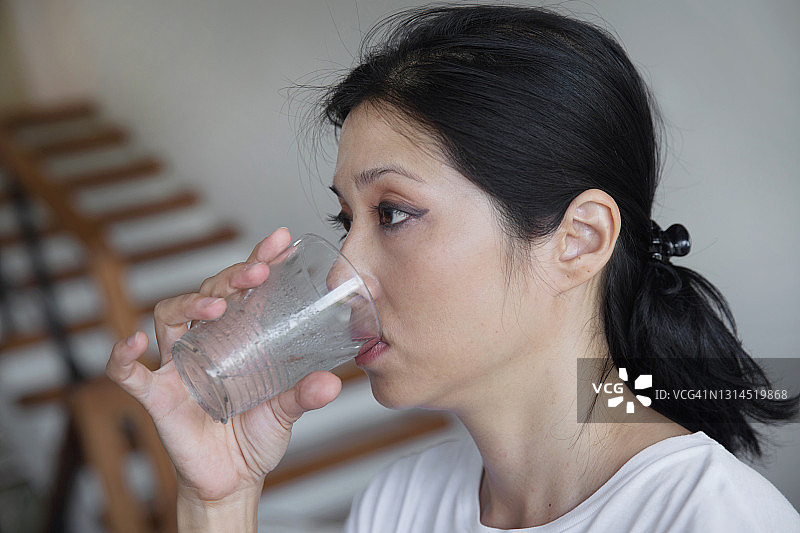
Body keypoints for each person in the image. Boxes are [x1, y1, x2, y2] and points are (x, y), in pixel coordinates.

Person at [106, 5, 800, 532]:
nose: (339, 272)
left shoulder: (709, 516)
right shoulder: (399, 505)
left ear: (579, 241)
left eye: (394, 213)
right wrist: (219, 499)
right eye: (347, 220)